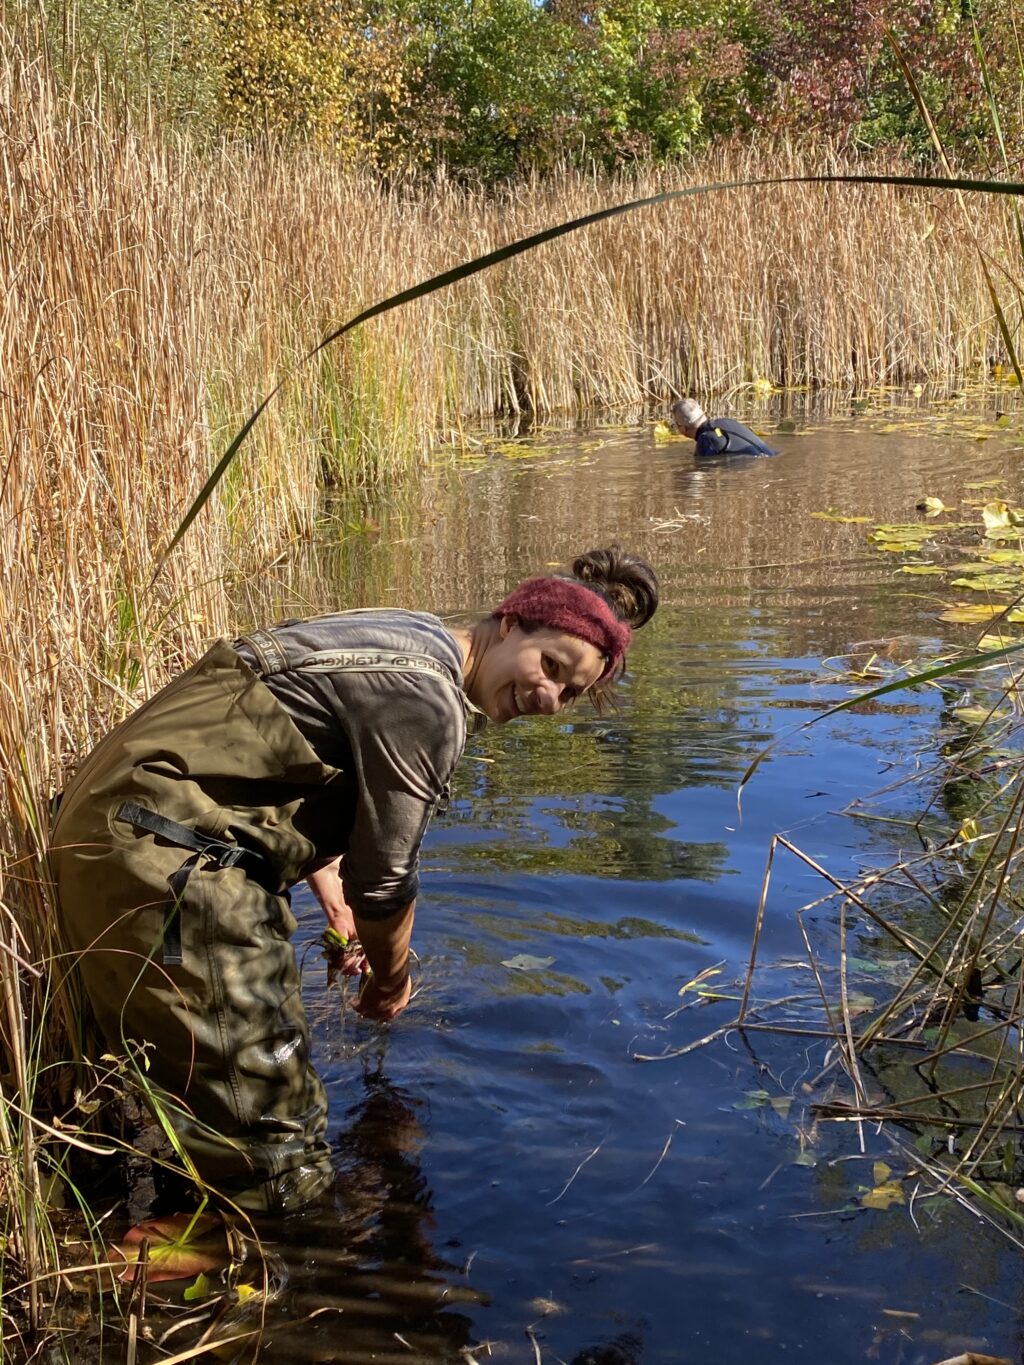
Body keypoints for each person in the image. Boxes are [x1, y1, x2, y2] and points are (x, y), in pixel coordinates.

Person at [47, 547, 658, 1214]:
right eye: (551, 667)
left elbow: (273, 777)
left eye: (570, 692)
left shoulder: (413, 635)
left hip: (117, 824)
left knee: (199, 1080)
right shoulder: (430, 704)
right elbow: (387, 882)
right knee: (280, 1152)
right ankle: (251, 1257)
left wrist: (334, 906)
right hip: (164, 859)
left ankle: (169, 1212)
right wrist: (392, 980)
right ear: (511, 623)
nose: (549, 697)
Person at [670, 397, 777, 457]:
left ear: (683, 428)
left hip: (755, 464)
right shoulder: (726, 421)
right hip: (772, 454)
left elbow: (704, 468)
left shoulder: (705, 439)